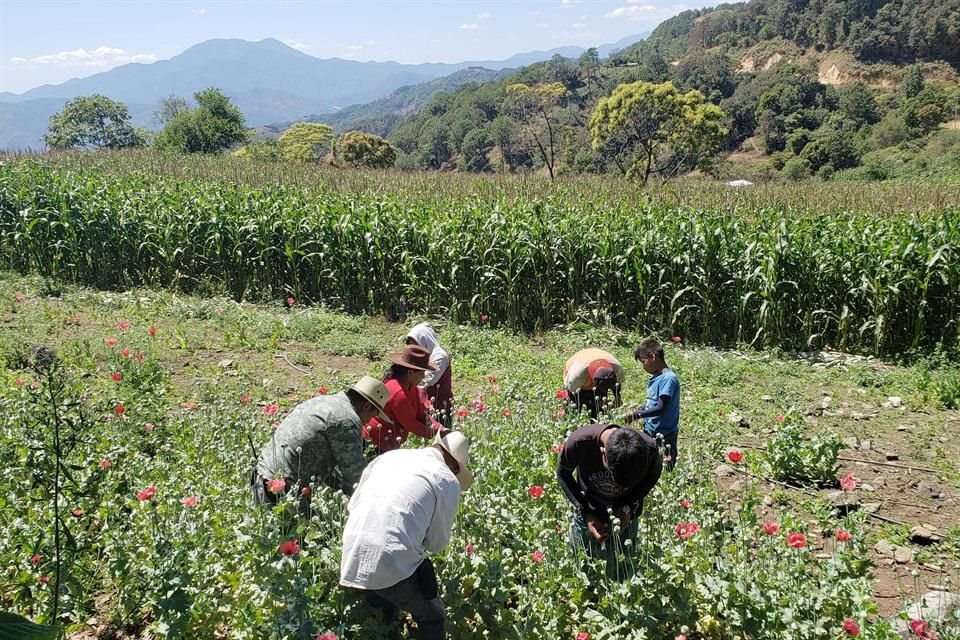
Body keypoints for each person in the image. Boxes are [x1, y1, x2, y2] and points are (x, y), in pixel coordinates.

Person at [340, 431, 473, 640]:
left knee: (384, 614)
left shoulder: (389, 457)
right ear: (455, 467)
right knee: (433, 616)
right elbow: (437, 544)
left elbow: (353, 505)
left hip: (352, 550)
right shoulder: (446, 478)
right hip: (389, 556)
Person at [252, 375, 391, 508]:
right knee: (304, 531)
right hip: (280, 491)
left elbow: (328, 473)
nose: (368, 422)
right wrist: (381, 500)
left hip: (261, 477)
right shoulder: (347, 420)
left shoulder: (323, 401)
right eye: (373, 415)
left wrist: (347, 489)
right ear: (366, 407)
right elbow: (357, 476)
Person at [556, 423, 661, 577]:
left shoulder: (649, 449)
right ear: (602, 452)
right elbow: (562, 474)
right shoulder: (579, 442)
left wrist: (628, 506)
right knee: (580, 567)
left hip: (626, 517)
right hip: (589, 510)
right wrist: (585, 512)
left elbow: (653, 475)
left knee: (622, 569)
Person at [363, 344, 444, 454]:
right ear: (410, 373)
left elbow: (421, 414)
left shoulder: (411, 387)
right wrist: (436, 434)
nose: (424, 377)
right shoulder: (398, 392)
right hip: (375, 442)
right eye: (422, 373)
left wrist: (440, 428)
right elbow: (410, 424)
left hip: (389, 441)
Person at [624, 338, 681, 469]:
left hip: (665, 434)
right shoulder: (656, 378)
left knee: (666, 466)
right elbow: (653, 403)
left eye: (643, 362)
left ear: (653, 357)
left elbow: (661, 408)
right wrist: (641, 408)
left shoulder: (668, 379)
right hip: (650, 430)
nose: (643, 367)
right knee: (650, 465)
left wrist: (636, 414)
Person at [405, 323, 453, 427]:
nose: (415, 350)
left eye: (416, 345)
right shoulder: (422, 357)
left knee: (441, 436)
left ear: (424, 340)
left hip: (440, 407)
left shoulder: (440, 356)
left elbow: (428, 379)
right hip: (425, 406)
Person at [562, 348, 625, 420]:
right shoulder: (577, 374)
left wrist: (617, 398)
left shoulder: (617, 368)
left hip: (601, 358)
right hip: (580, 366)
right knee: (577, 407)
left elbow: (618, 385)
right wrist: (566, 407)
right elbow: (570, 392)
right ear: (593, 381)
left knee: (598, 409)